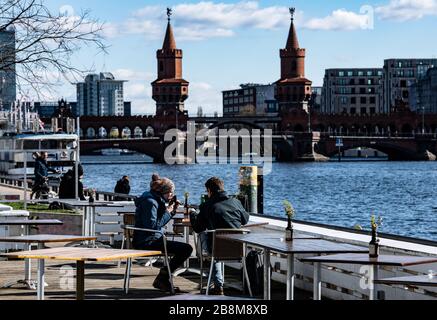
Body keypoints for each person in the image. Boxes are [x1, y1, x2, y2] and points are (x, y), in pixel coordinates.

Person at [133, 174, 193, 293]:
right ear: (163, 191)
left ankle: (163, 278)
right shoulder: (150, 202)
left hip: (152, 238)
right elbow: (153, 226)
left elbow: (157, 223)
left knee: (185, 249)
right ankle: (162, 278)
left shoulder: (154, 200)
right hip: (147, 241)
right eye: (170, 192)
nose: (172, 195)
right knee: (186, 249)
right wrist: (168, 211)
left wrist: (171, 211)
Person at [190, 177, 250, 295]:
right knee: (216, 242)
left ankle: (218, 285)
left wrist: (193, 215)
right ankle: (234, 284)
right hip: (238, 248)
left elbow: (198, 228)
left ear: (209, 190)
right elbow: (245, 220)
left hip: (216, 249)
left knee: (210, 240)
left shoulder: (206, 206)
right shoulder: (236, 202)